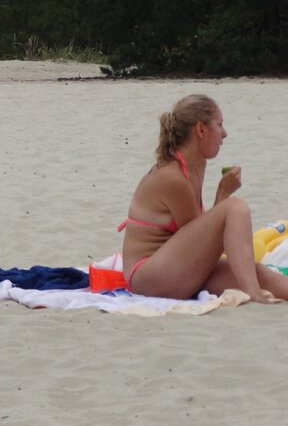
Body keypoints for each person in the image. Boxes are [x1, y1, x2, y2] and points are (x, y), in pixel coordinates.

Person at [118, 94, 288, 304]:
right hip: (147, 276)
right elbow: (202, 242)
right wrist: (224, 195)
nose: (224, 134)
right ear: (200, 130)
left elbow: (200, 241)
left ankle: (254, 287)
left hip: (174, 268)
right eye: (219, 125)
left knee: (258, 274)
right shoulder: (173, 178)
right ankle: (253, 294)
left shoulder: (196, 166)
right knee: (236, 207)